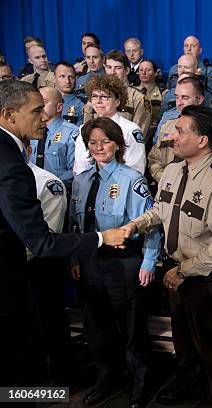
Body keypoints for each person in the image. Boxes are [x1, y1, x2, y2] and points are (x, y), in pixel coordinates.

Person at [0, 79, 125, 386]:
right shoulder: (13, 167)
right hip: (8, 282)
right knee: (19, 371)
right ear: (9, 114)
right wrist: (102, 238)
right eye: (36, 110)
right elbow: (41, 241)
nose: (45, 117)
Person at [122, 105, 212, 408]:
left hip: (205, 276)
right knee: (184, 341)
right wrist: (135, 225)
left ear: (202, 140)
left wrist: (186, 270)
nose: (172, 135)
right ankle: (189, 388)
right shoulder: (173, 170)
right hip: (175, 271)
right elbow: (159, 210)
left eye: (180, 130)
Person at [71, 117, 161, 408]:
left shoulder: (131, 179)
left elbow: (150, 224)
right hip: (90, 262)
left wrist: (148, 261)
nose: (99, 147)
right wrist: (76, 257)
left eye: (105, 141)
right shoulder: (82, 180)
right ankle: (106, 379)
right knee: (96, 328)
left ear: (117, 144)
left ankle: (140, 385)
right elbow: (76, 225)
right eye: (93, 142)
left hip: (123, 262)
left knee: (131, 330)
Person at [23, 137, 74, 387]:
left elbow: (48, 236)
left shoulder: (48, 182)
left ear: (29, 149)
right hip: (12, 268)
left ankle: (59, 385)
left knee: (50, 327)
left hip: (41, 267)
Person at [149, 75, 212, 183]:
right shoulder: (166, 126)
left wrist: (183, 184)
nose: (179, 102)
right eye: (177, 97)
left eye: (185, 97)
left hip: (198, 191)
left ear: (200, 99)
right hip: (167, 189)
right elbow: (154, 159)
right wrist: (167, 180)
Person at [74, 74, 146, 175]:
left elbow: (136, 169)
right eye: (94, 96)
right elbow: (80, 167)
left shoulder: (130, 130)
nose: (98, 101)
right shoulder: (84, 129)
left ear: (117, 101)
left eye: (104, 97)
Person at [83, 50, 152, 133]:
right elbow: (86, 130)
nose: (112, 72)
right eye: (109, 67)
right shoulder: (96, 96)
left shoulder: (139, 98)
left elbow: (139, 134)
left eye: (118, 68)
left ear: (127, 70)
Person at [29, 86, 78, 189]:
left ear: (59, 107)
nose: (39, 106)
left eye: (44, 102)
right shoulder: (29, 130)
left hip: (58, 194)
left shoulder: (72, 133)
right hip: (30, 191)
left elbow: (75, 171)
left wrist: (50, 186)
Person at [166, 35, 212, 102]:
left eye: (193, 46)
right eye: (186, 46)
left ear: (200, 50)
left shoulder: (209, 71)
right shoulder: (174, 69)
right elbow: (169, 90)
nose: (189, 49)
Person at [137, 59, 163, 138]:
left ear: (155, 73)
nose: (144, 73)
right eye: (141, 70)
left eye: (148, 70)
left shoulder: (163, 92)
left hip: (154, 132)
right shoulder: (132, 91)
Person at [54, 61, 85, 125]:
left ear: (76, 79)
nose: (67, 81)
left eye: (71, 77)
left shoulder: (81, 104)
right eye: (62, 76)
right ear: (54, 78)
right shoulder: (44, 100)